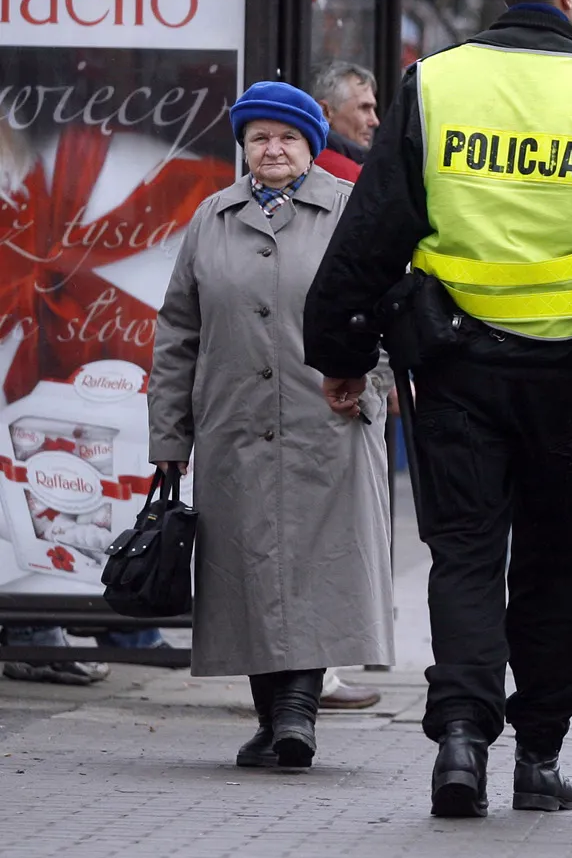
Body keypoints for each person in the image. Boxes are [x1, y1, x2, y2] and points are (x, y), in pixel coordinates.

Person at [302, 0, 572, 818]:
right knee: (561, 564)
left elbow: (374, 230)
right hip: (566, 377)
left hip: (453, 373)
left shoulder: (433, 86)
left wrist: (338, 352)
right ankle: (540, 752)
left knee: (467, 557)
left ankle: (460, 739)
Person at [149, 81, 395, 770]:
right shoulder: (212, 219)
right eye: (259, 137)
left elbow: (388, 308)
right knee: (248, 575)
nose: (273, 148)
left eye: (286, 137)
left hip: (328, 422)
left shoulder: (348, 211)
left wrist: (371, 387)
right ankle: (273, 719)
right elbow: (178, 333)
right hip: (234, 427)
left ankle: (295, 715)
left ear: (310, 146)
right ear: (244, 146)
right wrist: (169, 437)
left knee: (309, 572)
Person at [308, 62, 388, 714]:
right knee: (336, 521)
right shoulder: (345, 180)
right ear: (327, 111)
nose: (373, 119)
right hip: (339, 374)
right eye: (362, 107)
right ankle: (319, 667)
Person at [313, 60, 380, 165]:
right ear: (325, 111)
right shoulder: (342, 172)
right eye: (364, 108)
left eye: (373, 110)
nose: (375, 121)